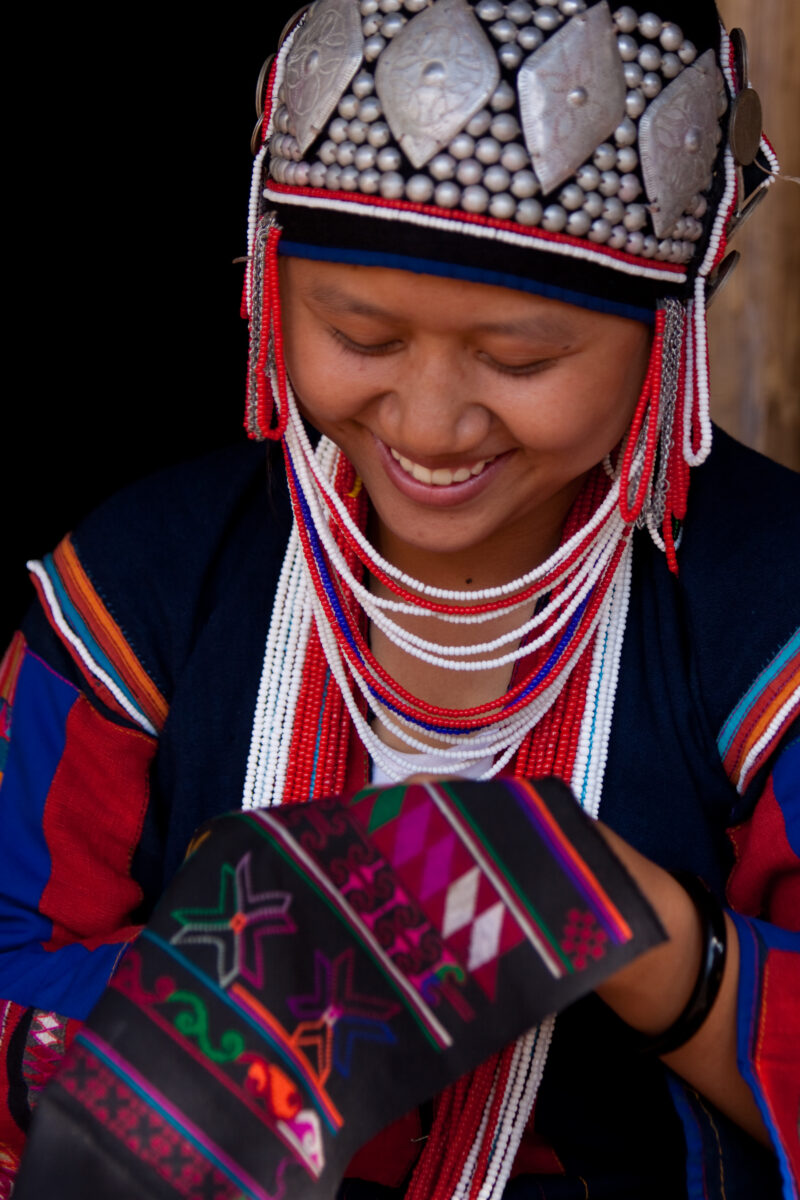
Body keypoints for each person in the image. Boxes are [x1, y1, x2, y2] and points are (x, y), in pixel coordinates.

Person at [1, 0, 798, 1196]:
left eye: (519, 360)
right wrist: (269, 987)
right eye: (358, 334)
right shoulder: (146, 583)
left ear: (669, 322)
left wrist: (628, 925)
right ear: (269, 279)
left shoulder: (769, 615)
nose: (428, 424)